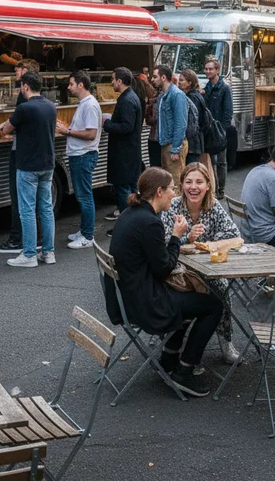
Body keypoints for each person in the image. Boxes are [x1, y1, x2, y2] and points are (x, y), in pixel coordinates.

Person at [106, 167, 223, 397]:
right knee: (213, 305)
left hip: (125, 297)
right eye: (171, 189)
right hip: (144, 303)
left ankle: (169, 357)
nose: (174, 193)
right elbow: (164, 268)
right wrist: (177, 237)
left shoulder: (131, 213)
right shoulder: (150, 222)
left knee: (188, 300)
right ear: (159, 192)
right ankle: (184, 371)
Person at [160, 163, 241, 364]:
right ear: (181, 185)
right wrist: (187, 238)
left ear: (207, 186)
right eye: (188, 182)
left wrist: (207, 244)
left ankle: (225, 340)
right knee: (195, 294)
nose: (193, 187)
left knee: (221, 289)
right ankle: (175, 339)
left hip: (209, 268)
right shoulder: (173, 206)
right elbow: (161, 241)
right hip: (178, 270)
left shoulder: (213, 206)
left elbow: (235, 236)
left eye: (199, 182)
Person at [0, 71, 56, 268]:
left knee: (27, 210)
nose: (20, 89)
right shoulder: (50, 106)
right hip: (48, 163)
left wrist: (2, 127)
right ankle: (49, 252)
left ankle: (29, 254)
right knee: (46, 209)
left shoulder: (24, 108)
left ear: (26, 86)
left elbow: (7, 129)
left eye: (21, 85)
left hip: (28, 165)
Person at [0, 58, 41, 254]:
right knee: (36, 201)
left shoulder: (25, 98)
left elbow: (17, 120)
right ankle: (37, 239)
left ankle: (16, 239)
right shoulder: (41, 101)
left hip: (22, 153)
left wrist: (4, 127)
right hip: (36, 154)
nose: (15, 73)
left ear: (26, 72)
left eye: (18, 69)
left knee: (19, 197)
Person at [56, 70, 102, 249]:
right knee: (82, 195)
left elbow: (91, 134)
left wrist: (67, 131)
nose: (69, 87)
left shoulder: (89, 105)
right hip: (80, 154)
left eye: (71, 84)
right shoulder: (85, 103)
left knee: (84, 196)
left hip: (84, 155)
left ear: (81, 85)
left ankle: (87, 236)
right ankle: (84, 230)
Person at [103, 67, 143, 225]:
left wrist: (107, 124)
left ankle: (127, 224)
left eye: (113, 79)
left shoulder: (127, 100)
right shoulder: (131, 97)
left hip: (124, 153)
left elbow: (127, 127)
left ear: (120, 81)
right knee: (132, 189)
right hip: (129, 152)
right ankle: (135, 222)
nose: (112, 82)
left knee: (124, 191)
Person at [202, 57, 233, 199]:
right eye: (206, 69)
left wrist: (223, 130)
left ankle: (221, 189)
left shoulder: (224, 88)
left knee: (221, 161)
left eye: (210, 69)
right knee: (211, 161)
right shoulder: (206, 88)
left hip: (219, 130)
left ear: (217, 70)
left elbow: (228, 112)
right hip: (208, 129)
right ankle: (212, 188)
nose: (207, 71)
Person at [154, 64, 189, 190]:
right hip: (166, 143)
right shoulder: (164, 95)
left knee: (175, 182)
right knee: (169, 182)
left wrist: (175, 148)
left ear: (163, 77)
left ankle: (179, 209)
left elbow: (181, 123)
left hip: (173, 144)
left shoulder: (176, 95)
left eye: (155, 76)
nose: (152, 79)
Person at [177, 69, 207, 165]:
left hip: (193, 142)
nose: (179, 83)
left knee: (191, 168)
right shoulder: (196, 95)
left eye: (182, 80)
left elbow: (193, 122)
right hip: (195, 140)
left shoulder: (192, 97)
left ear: (189, 83)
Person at [145, 67, 162, 169]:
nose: (152, 79)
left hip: (161, 139)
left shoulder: (171, 95)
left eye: (155, 77)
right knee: (155, 168)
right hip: (153, 137)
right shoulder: (156, 94)